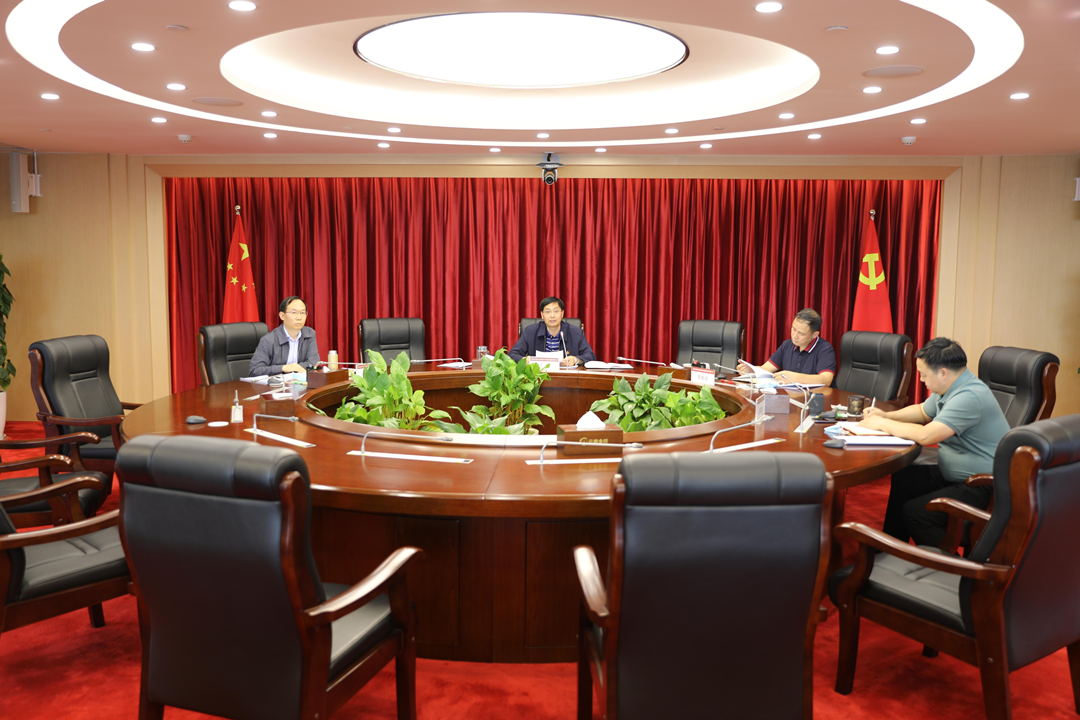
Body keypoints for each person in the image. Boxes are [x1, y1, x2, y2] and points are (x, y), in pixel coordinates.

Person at [859, 337, 1010, 547]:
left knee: (915, 513)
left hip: (982, 486)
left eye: (923, 374)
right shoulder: (952, 387)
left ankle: (950, 565)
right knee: (905, 477)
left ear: (943, 373)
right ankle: (889, 550)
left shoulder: (969, 396)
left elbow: (926, 435)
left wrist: (881, 424)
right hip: (957, 475)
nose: (921, 380)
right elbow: (922, 411)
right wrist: (885, 415)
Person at [737, 308, 836, 385]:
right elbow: (765, 369)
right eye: (793, 329)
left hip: (816, 400)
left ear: (815, 334)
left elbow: (826, 380)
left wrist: (794, 377)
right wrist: (752, 370)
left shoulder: (825, 349)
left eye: (801, 333)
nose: (795, 335)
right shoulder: (787, 345)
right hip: (791, 398)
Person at [508, 296, 596, 366]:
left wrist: (575, 360)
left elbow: (590, 356)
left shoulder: (576, 332)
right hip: (537, 377)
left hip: (566, 377)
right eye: (548, 312)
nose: (552, 315)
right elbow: (512, 354)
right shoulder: (530, 331)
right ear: (542, 315)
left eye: (556, 311)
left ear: (562, 314)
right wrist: (523, 360)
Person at [248, 295, 321, 376]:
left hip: (300, 381)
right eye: (294, 313)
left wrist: (295, 367)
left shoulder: (309, 334)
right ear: (282, 316)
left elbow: (314, 363)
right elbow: (255, 370)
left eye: (302, 313)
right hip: (276, 383)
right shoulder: (269, 340)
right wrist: (283, 368)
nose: (299, 317)